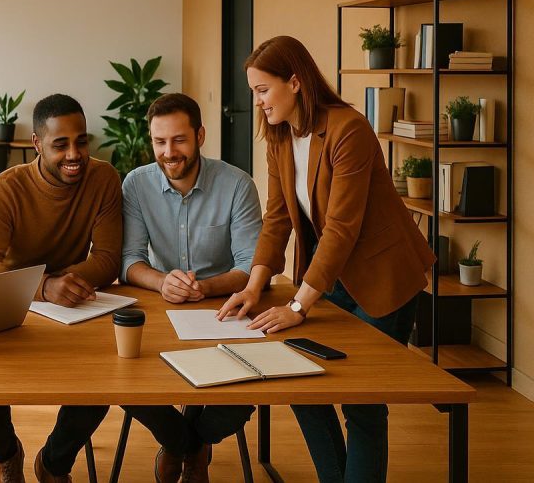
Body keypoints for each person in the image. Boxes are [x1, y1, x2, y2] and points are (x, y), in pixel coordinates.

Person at [218, 36, 436, 483]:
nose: (258, 102)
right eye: (253, 92)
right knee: (302, 386)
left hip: (383, 277)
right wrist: (254, 287)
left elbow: (341, 227)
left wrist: (298, 306)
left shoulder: (347, 129)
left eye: (263, 90)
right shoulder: (279, 137)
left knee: (362, 402)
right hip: (329, 275)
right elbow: (276, 219)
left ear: (294, 83)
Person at [0, 93, 122, 483]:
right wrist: (44, 285)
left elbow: (107, 259)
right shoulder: (7, 187)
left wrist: (63, 284)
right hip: (12, 307)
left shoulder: (103, 178)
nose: (75, 154)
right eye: (60, 144)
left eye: (82, 141)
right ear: (37, 144)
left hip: (75, 307)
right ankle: (7, 454)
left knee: (109, 375)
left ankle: (54, 463)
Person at [119, 93, 260, 482]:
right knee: (119, 379)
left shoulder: (237, 185)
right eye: (159, 142)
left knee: (248, 391)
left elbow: (250, 266)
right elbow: (129, 261)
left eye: (179, 140)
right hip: (162, 313)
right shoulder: (136, 184)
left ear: (200, 135)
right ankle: (187, 445)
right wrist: (163, 281)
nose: (169, 152)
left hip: (225, 312)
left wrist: (208, 287)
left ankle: (188, 442)